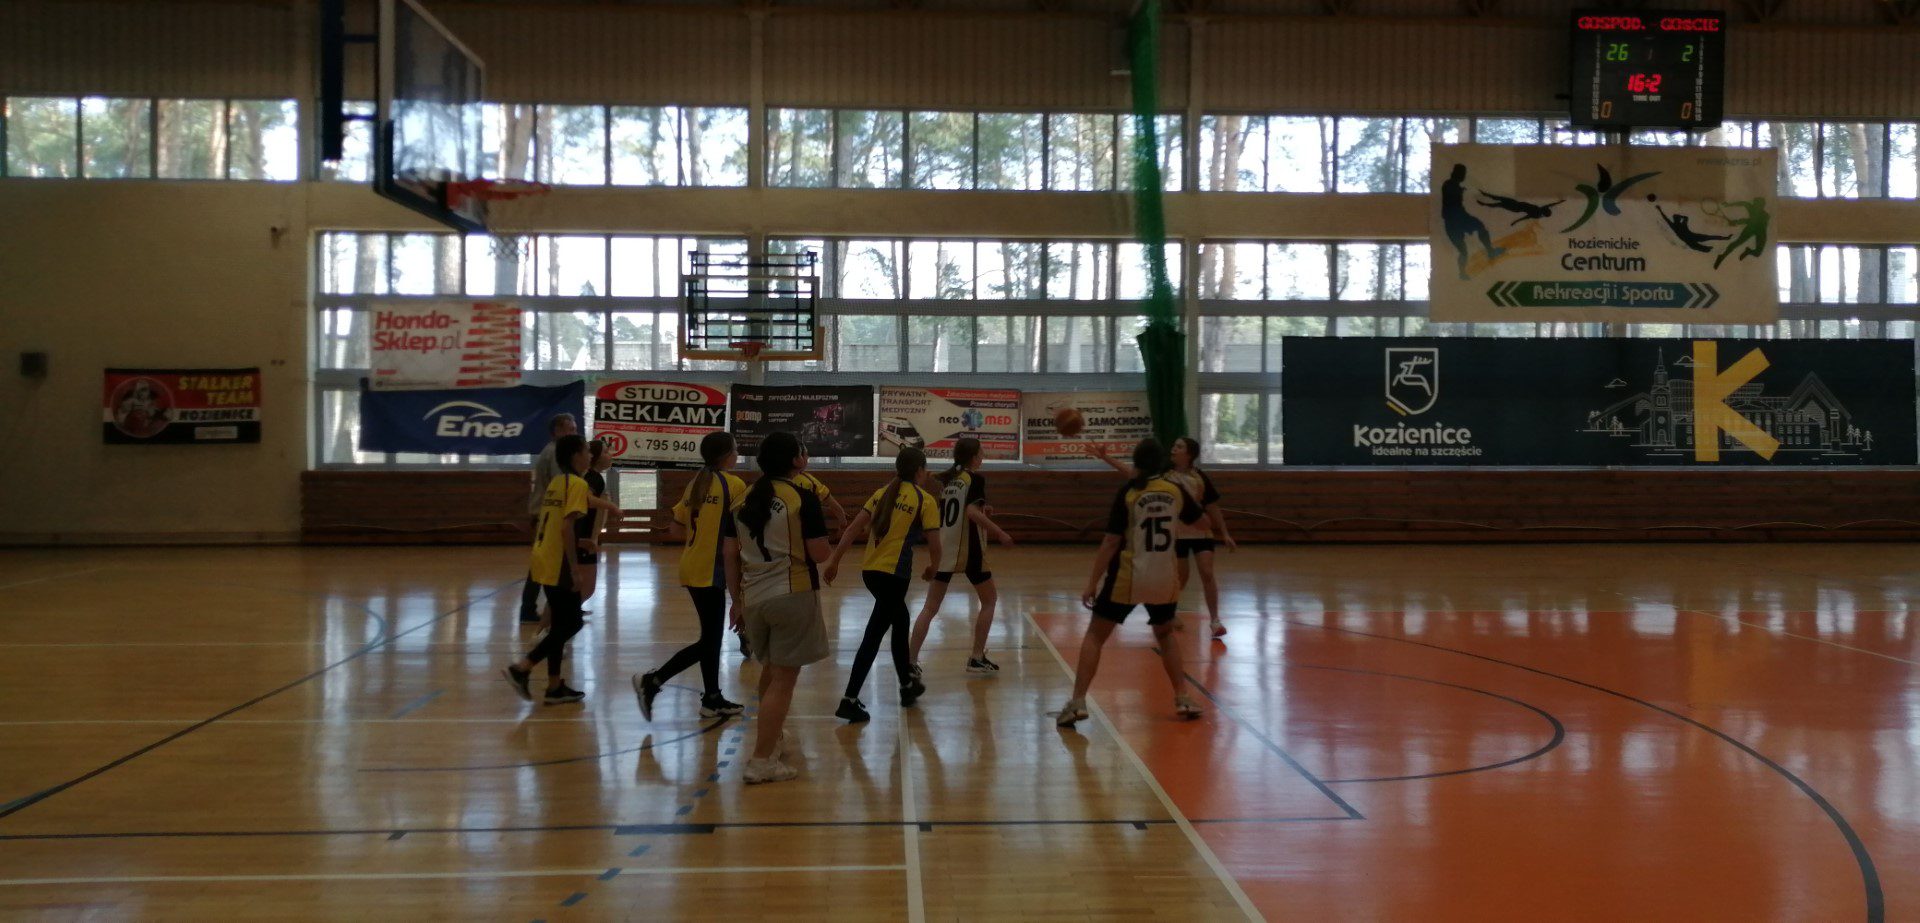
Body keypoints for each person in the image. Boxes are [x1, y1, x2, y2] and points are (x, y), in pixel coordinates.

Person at [1056, 438, 1207, 728]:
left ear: (1136, 462)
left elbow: (1111, 542)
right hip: (1164, 578)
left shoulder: (1129, 493)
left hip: (1129, 577)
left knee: (1095, 636)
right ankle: (1183, 697)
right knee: (1165, 635)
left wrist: (1092, 582)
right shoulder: (1175, 490)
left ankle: (1077, 702)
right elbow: (1202, 523)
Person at [730, 432, 833, 784]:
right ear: (796, 460)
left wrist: (736, 601)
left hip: (754, 597)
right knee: (784, 679)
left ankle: (771, 741)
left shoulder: (743, 498)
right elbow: (819, 553)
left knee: (771, 672)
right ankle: (761, 761)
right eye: (803, 451)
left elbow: (729, 554)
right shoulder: (802, 496)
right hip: (792, 593)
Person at [822, 449, 942, 723]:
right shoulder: (924, 500)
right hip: (894, 576)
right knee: (874, 635)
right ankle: (849, 699)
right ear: (920, 471)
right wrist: (933, 568)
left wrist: (834, 561)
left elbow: (853, 529)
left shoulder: (882, 493)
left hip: (871, 572)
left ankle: (906, 686)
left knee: (901, 621)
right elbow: (935, 545)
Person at [633, 432, 748, 721]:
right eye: (735, 449)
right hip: (711, 570)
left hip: (691, 565)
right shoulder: (734, 485)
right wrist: (738, 596)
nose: (737, 454)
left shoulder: (697, 482)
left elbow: (676, 528)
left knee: (711, 637)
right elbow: (736, 539)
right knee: (709, 641)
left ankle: (712, 698)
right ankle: (653, 680)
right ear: (726, 456)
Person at [502, 434, 621, 705]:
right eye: (586, 451)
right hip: (559, 563)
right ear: (575, 456)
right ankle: (522, 668)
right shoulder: (578, 484)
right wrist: (574, 567)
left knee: (559, 622)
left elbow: (560, 519)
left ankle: (554, 686)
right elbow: (566, 527)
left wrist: (588, 532)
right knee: (573, 622)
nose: (590, 455)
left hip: (542, 557)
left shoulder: (558, 482)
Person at [1093, 437, 1236, 637]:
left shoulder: (1199, 477)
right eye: (1173, 445)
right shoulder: (1164, 475)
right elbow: (1131, 473)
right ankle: (1168, 611)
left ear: (1189, 454)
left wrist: (1225, 533)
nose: (1173, 449)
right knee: (1180, 577)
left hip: (1200, 532)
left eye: (1179, 447)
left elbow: (1212, 506)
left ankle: (1215, 620)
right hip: (1176, 536)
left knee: (1207, 573)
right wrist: (1106, 457)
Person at [907, 437, 1014, 675]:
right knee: (990, 600)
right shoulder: (974, 479)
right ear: (974, 457)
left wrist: (982, 509)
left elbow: (957, 513)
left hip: (945, 547)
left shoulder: (951, 482)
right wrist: (999, 532)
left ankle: (910, 661)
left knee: (930, 608)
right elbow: (971, 512)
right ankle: (976, 657)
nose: (983, 456)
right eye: (981, 452)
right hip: (968, 549)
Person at [520, 414, 578, 624]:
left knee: (546, 561)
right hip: (546, 514)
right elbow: (561, 482)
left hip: (547, 512)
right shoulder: (555, 453)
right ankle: (531, 609)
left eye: (575, 429)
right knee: (545, 562)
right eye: (570, 429)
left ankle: (554, 606)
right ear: (557, 431)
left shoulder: (556, 451)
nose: (574, 433)